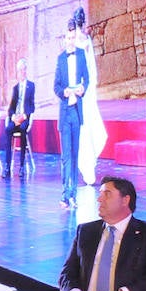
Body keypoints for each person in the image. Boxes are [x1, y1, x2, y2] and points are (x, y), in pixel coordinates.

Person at [54, 19, 89, 208]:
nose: (70, 40)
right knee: (66, 155)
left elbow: (87, 80)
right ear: (64, 38)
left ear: (76, 37)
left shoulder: (82, 55)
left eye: (73, 37)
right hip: (65, 112)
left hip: (76, 112)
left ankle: (73, 194)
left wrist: (83, 88)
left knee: (75, 154)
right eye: (68, 37)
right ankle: (65, 194)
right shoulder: (60, 58)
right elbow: (56, 86)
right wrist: (64, 92)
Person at [73, 6, 107, 186]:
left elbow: (90, 68)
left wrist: (87, 86)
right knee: (84, 129)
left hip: (85, 92)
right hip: (80, 91)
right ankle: (87, 168)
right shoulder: (81, 40)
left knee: (88, 128)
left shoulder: (85, 41)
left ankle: (88, 168)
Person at [3, 58, 36, 179]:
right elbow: (11, 108)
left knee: (22, 129)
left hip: (24, 118)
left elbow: (32, 106)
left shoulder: (31, 86)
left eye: (23, 70)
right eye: (19, 70)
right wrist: (13, 117)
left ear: (26, 70)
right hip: (15, 117)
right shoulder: (15, 88)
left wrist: (24, 116)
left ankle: (21, 166)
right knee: (7, 130)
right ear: (17, 72)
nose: (22, 72)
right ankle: (7, 166)